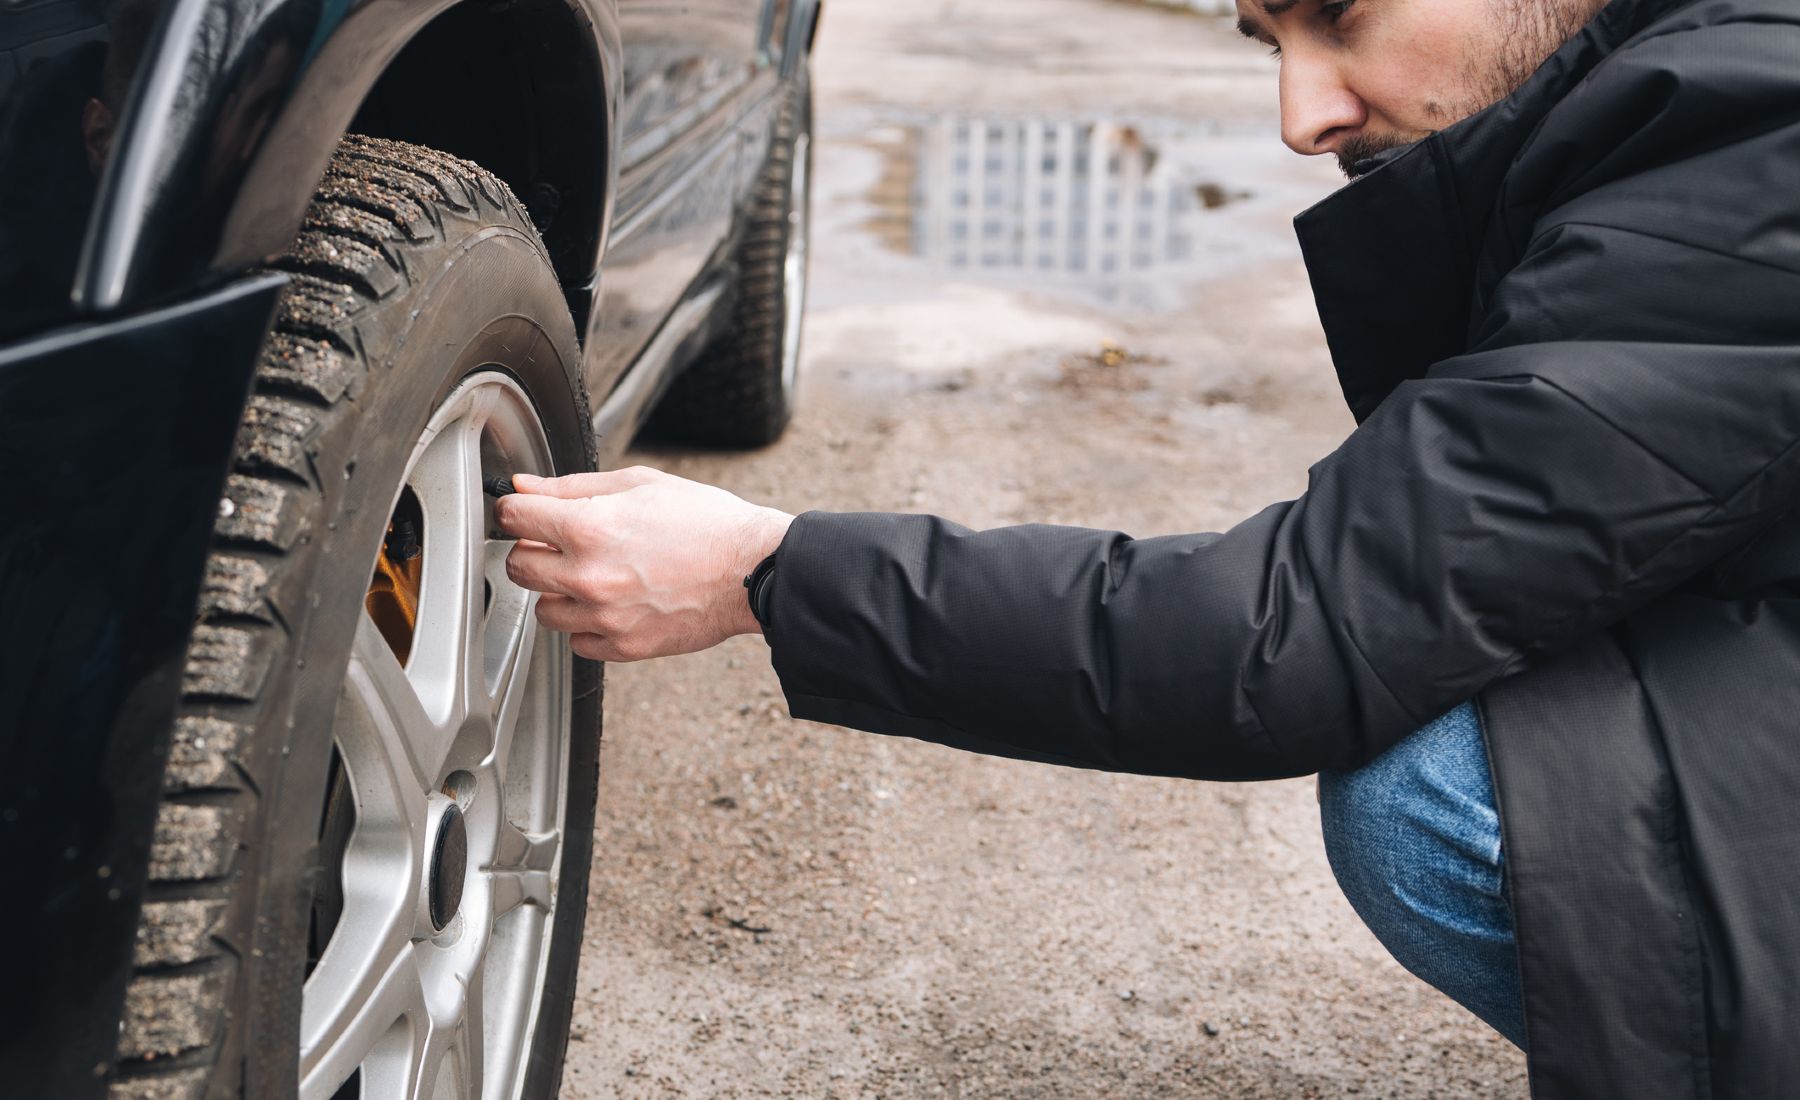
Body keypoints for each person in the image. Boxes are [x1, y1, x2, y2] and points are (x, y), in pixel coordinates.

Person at [494, 0, 1800, 1094]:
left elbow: (1294, 631)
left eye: (1340, 17)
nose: (1303, 116)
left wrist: (767, 572)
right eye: (1266, 40)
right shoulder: (1698, 96)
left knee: (1436, 785)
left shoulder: (1750, 147)